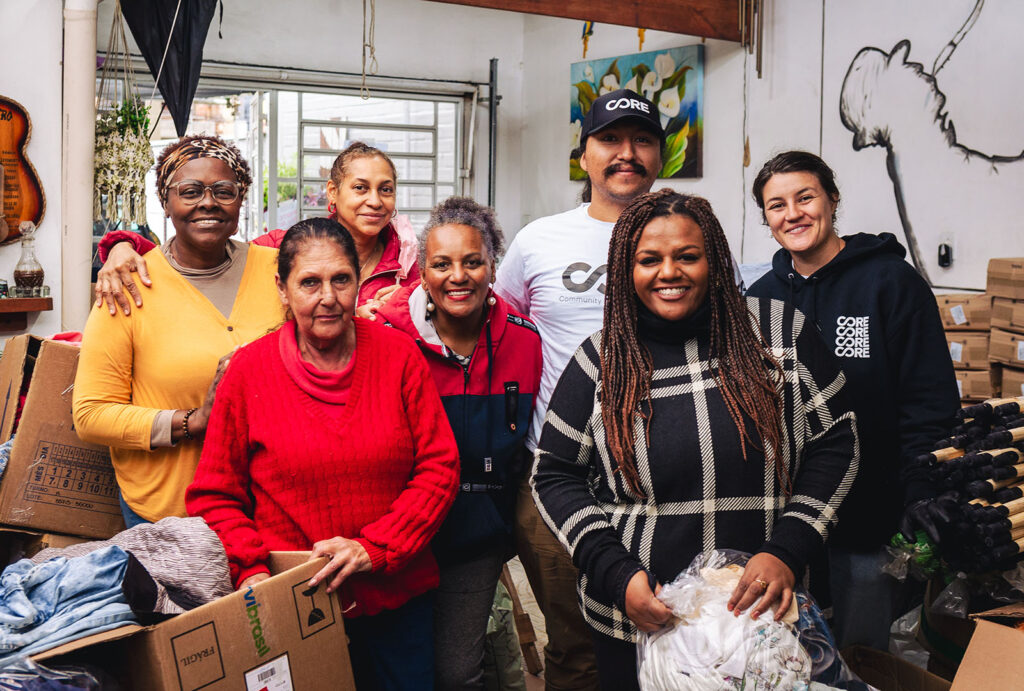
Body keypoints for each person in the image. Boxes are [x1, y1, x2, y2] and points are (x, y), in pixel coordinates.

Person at [532, 189, 860, 690]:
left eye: (688, 256)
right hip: (640, 620)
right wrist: (616, 576)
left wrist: (788, 549)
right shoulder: (600, 361)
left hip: (767, 617)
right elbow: (555, 474)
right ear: (626, 268)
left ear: (715, 261)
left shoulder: (778, 333)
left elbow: (836, 442)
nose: (670, 272)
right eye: (649, 259)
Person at [185, 217, 460, 690]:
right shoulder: (249, 371)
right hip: (292, 607)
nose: (328, 297)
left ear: (359, 280)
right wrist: (250, 570)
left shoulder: (399, 356)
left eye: (341, 280)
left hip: (397, 602)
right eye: (309, 282)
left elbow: (440, 467)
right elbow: (215, 494)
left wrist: (375, 548)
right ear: (283, 289)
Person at [745, 150, 959, 650]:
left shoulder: (891, 283)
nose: (792, 213)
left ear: (832, 199)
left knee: (862, 656)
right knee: (789, 657)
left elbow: (928, 401)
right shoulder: (760, 298)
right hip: (787, 523)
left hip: (871, 517)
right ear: (767, 219)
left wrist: (921, 488)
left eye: (805, 197)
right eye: (776, 205)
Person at [493, 88, 665, 689]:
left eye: (642, 140)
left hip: (667, 479)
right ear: (584, 155)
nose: (627, 153)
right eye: (610, 140)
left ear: (660, 155)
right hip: (560, 478)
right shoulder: (539, 241)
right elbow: (496, 330)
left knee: (673, 636)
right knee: (574, 646)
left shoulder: (684, 234)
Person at [73, 135, 284, 527]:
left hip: (268, 505)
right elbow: (90, 414)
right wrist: (192, 422)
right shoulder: (129, 285)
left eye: (224, 190)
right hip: (171, 514)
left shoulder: (278, 271)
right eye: (190, 191)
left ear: (241, 200)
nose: (209, 202)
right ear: (166, 203)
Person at [376, 197, 542, 689]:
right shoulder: (388, 339)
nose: (458, 276)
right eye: (442, 263)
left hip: (476, 538)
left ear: (493, 266)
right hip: (399, 536)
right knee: (400, 666)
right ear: (421, 271)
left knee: (457, 671)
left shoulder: (525, 341)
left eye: (473, 262)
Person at [93, 141, 418, 320]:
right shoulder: (286, 246)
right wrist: (123, 245)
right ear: (333, 192)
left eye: (385, 189)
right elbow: (208, 254)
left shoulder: (408, 263)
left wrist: (407, 303)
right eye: (360, 188)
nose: (374, 201)